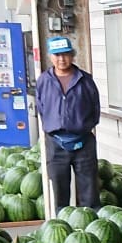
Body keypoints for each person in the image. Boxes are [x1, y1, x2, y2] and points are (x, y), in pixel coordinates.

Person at [35, 36, 101, 214]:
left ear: (72, 55)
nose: (61, 59)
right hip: (56, 143)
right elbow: (41, 108)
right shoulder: (43, 81)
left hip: (84, 142)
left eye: (65, 54)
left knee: (90, 193)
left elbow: (95, 109)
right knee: (60, 191)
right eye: (57, 55)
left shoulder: (85, 80)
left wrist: (82, 127)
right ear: (51, 56)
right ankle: (62, 228)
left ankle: (90, 228)